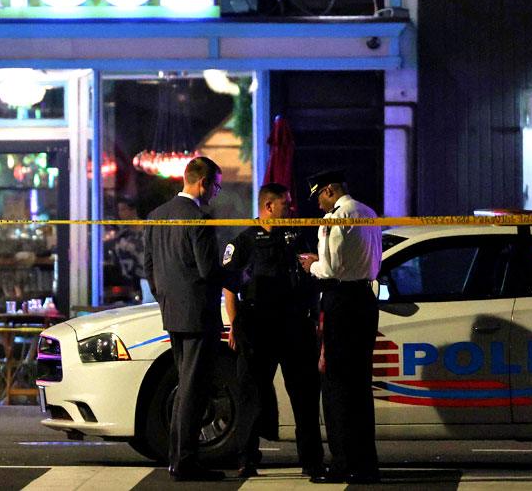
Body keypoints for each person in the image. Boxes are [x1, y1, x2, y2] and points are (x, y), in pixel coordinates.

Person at [221, 183, 324, 479]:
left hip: (295, 325)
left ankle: (312, 460)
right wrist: (234, 324)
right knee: (250, 396)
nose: (290, 209)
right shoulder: (244, 241)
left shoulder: (296, 235)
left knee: (304, 396)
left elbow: (313, 276)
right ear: (269, 207)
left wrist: (315, 318)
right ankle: (246, 458)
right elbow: (230, 287)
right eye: (285, 204)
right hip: (257, 326)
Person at [143, 156, 226, 482]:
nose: (216, 193)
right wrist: (237, 274)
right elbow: (209, 271)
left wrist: (165, 296)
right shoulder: (198, 220)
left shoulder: (156, 217)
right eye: (216, 186)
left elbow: (149, 269)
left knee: (183, 386)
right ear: (202, 182)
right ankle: (186, 461)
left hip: (172, 313)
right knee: (194, 389)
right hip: (198, 314)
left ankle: (177, 457)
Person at [298, 169, 382, 484]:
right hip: (365, 300)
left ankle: (343, 462)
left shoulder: (335, 218)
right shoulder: (368, 212)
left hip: (341, 302)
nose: (318, 204)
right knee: (360, 386)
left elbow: (330, 268)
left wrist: (311, 265)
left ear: (330, 190)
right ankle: (365, 462)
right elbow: (375, 261)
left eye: (319, 195)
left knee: (336, 386)